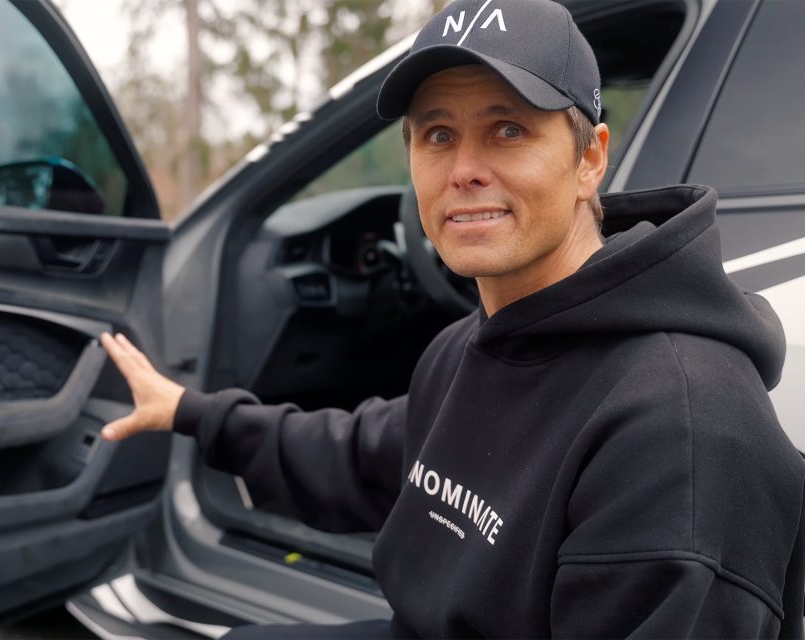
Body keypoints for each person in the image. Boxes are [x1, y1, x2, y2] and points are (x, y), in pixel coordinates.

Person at [99, 0, 805, 636]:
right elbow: (362, 456)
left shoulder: (679, 429)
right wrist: (190, 411)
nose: (463, 169)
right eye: (437, 134)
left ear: (589, 159)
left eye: (508, 129)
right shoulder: (474, 342)